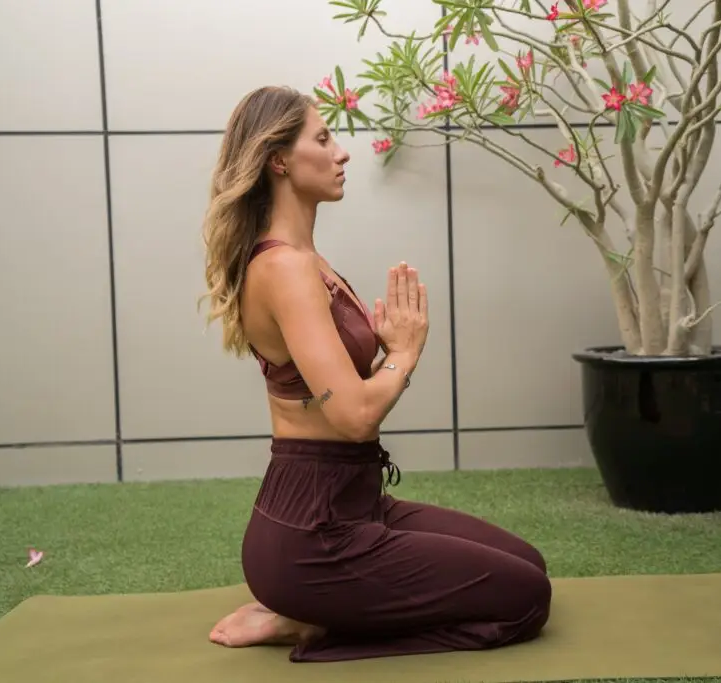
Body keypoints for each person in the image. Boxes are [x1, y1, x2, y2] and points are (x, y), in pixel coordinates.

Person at [198, 85, 552, 663]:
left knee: (526, 566)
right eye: (324, 137)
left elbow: (341, 387)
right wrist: (404, 355)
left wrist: (385, 350)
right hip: (312, 536)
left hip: (355, 506)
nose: (342, 153)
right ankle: (313, 622)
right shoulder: (285, 269)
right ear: (278, 160)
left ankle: (317, 609)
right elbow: (355, 416)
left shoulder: (308, 260)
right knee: (525, 598)